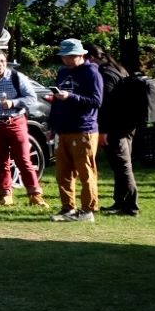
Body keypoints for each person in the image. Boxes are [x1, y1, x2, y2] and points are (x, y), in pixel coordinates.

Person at [44, 38, 103, 223]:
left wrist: (71, 96)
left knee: (86, 172)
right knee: (63, 173)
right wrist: (52, 126)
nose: (66, 60)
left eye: (70, 56)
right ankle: (68, 208)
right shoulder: (62, 72)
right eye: (64, 57)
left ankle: (88, 210)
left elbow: (96, 101)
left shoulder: (92, 73)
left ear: (81, 55)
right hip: (63, 130)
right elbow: (57, 101)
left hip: (83, 129)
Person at [0, 49, 45, 207]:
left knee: (23, 159)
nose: (0, 64)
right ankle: (5, 194)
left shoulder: (17, 77)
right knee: (0, 161)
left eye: (2, 61)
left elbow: (31, 98)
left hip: (16, 122)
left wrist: (13, 103)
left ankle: (35, 194)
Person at [89, 44, 142, 216]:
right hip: (127, 124)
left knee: (122, 166)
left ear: (91, 58)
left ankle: (131, 205)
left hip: (115, 127)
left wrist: (104, 130)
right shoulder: (118, 68)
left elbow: (107, 105)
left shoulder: (104, 74)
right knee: (121, 165)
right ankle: (120, 202)